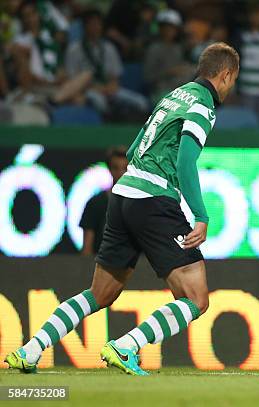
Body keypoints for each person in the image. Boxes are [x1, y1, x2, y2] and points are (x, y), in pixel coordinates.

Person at [4, 42, 240, 376]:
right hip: (154, 200)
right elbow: (187, 160)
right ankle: (126, 345)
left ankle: (29, 350)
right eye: (233, 81)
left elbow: (133, 148)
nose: (232, 88)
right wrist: (200, 215)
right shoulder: (203, 105)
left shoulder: (173, 96)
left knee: (100, 293)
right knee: (196, 298)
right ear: (226, 75)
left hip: (123, 194)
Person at [80, 146, 128, 256]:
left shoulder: (141, 204)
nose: (120, 173)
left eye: (125, 168)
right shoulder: (95, 203)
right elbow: (87, 247)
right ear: (109, 169)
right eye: (116, 168)